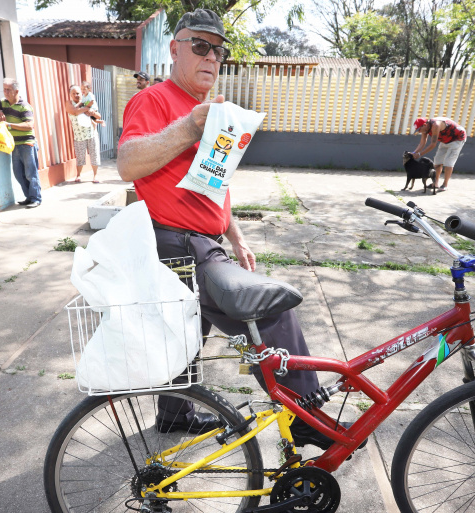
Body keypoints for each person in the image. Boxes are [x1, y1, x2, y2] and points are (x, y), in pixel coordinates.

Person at [118, 9, 336, 450]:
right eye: (200, 46)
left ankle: (174, 415)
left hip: (201, 238)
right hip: (176, 241)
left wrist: (235, 235)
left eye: (218, 50)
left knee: (186, 331)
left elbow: (212, 183)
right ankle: (305, 415)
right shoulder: (156, 100)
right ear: (175, 49)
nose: (211, 57)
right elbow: (128, 162)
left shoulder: (210, 109)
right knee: (269, 312)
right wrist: (187, 128)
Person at [0, 78, 42, 209]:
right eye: (4, 89)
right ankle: (29, 197)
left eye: (8, 90)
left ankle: (36, 198)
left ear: (16, 91)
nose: (5, 92)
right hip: (14, 145)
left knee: (31, 173)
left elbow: (29, 125)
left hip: (27, 143)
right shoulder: (3, 103)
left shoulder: (25, 106)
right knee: (18, 173)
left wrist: (9, 125)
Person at [412, 117, 468, 192]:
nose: (419, 131)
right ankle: (435, 183)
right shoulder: (425, 129)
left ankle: (445, 185)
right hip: (445, 140)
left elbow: (433, 144)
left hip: (457, 138)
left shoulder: (436, 125)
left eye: (419, 129)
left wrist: (420, 154)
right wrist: (414, 153)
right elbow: (422, 143)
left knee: (448, 162)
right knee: (437, 161)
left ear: (425, 125)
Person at [65, 85, 100, 183]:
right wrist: (87, 108)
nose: (76, 95)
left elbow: (98, 116)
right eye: (73, 93)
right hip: (78, 135)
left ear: (82, 93)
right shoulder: (69, 103)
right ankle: (78, 175)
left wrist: (92, 112)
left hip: (91, 133)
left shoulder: (87, 101)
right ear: (70, 95)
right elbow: (74, 112)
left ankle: (95, 176)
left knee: (94, 155)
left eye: (78, 93)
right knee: (80, 156)